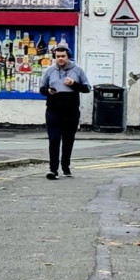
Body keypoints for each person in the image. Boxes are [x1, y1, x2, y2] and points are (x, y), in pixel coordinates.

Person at [39, 45, 92, 180]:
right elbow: (42, 88)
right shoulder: (50, 71)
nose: (60, 59)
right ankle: (53, 169)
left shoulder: (77, 70)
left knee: (68, 140)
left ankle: (66, 167)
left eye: (63, 56)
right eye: (58, 57)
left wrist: (74, 84)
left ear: (68, 57)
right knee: (54, 139)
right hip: (53, 110)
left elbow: (87, 88)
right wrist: (48, 91)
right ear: (55, 58)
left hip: (71, 111)